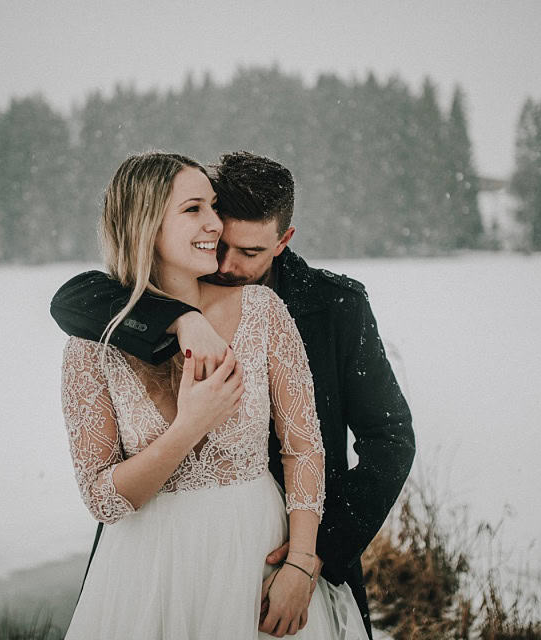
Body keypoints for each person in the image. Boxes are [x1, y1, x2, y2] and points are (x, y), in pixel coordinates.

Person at [52, 151, 415, 638]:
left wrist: (310, 558)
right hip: (152, 560)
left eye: (248, 252)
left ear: (283, 242)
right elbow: (74, 299)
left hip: (268, 545)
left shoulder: (324, 306)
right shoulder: (104, 323)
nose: (223, 261)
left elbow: (384, 442)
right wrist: (181, 321)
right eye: (207, 222)